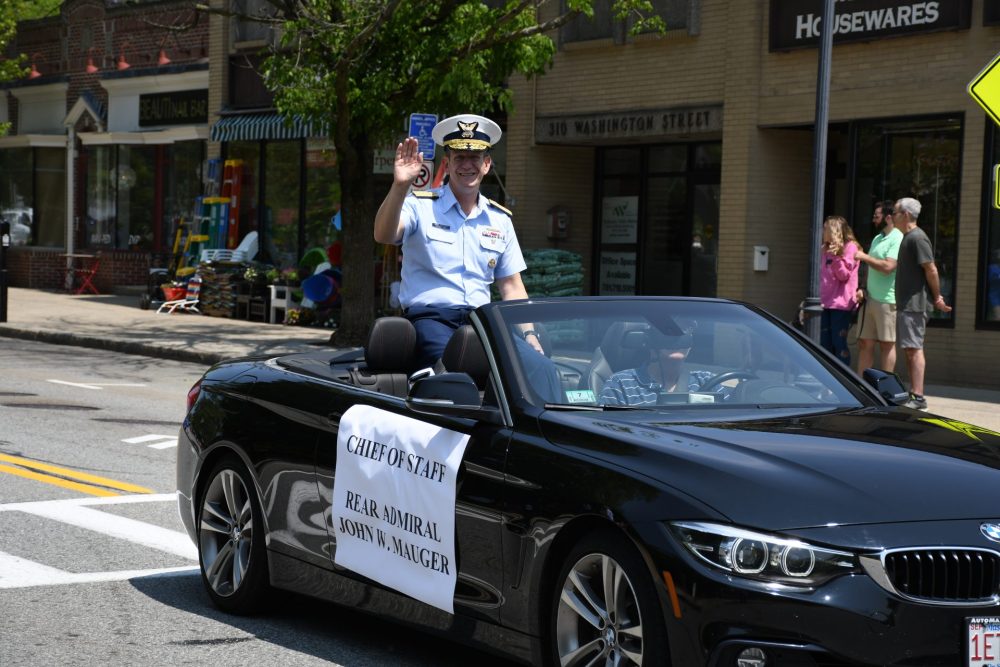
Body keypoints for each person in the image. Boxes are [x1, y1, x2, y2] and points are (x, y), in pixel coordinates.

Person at [373, 114, 543, 369]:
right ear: (448, 163)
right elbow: (384, 234)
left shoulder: (499, 219)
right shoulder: (419, 206)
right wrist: (399, 187)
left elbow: (511, 287)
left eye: (474, 157)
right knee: (456, 370)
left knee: (539, 369)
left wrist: (529, 335)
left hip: (482, 323)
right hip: (431, 321)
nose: (467, 165)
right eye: (459, 157)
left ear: (486, 164)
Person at [892, 197, 952, 411]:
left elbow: (931, 269)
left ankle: (918, 396)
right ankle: (913, 393)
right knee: (910, 349)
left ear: (905, 215)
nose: (892, 216)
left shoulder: (918, 238)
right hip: (907, 305)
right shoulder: (907, 238)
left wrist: (937, 297)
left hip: (915, 305)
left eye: (895, 212)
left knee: (914, 349)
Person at [599, 322, 732, 406]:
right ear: (650, 341)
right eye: (668, 332)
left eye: (685, 333)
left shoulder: (707, 381)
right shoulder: (621, 384)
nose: (677, 338)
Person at [855, 200, 903, 374]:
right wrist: (862, 287)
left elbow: (888, 267)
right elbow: (870, 267)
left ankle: (885, 388)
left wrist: (863, 257)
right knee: (865, 343)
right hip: (869, 299)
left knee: (887, 345)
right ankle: (862, 385)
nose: (873, 219)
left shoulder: (897, 238)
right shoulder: (878, 238)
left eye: (877, 216)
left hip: (887, 301)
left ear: (888, 218)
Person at [819, 216, 861, 366]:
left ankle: (843, 379)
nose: (822, 231)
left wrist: (836, 256)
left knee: (839, 343)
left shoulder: (850, 247)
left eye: (825, 228)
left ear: (834, 230)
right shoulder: (824, 248)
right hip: (824, 303)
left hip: (841, 305)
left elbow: (844, 276)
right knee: (824, 344)